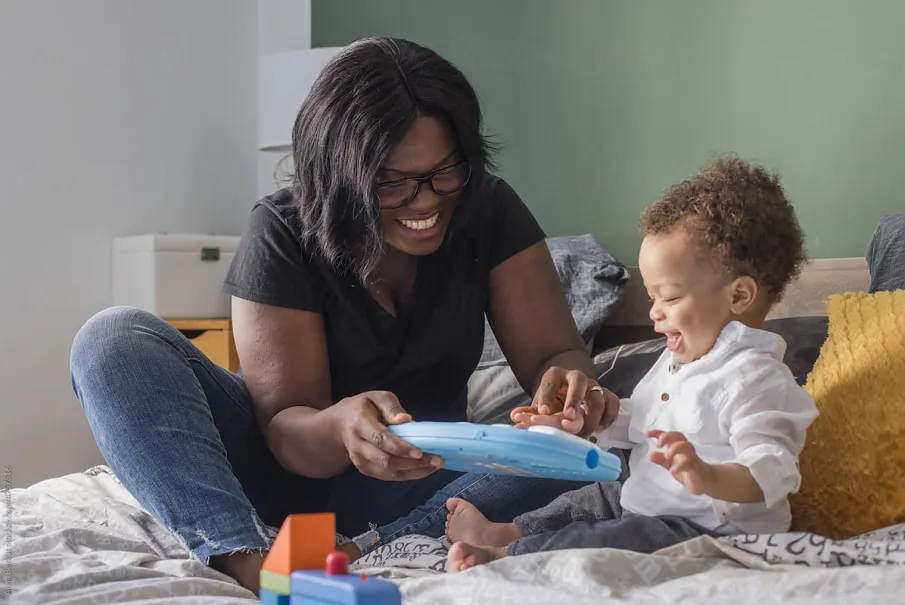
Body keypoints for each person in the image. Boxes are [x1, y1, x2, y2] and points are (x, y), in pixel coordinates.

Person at [69, 37, 619, 592]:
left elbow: (555, 354)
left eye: (444, 172)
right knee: (112, 338)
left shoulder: (489, 208)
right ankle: (245, 561)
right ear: (342, 175)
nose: (425, 202)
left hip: (426, 478)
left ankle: (372, 547)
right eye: (390, 183)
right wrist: (340, 427)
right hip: (277, 478)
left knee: (592, 446)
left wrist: (568, 387)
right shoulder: (283, 230)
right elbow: (285, 427)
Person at [443, 156, 821, 571]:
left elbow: (772, 469)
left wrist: (707, 475)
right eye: (652, 297)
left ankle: (507, 557)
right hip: (649, 503)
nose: (654, 313)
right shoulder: (679, 360)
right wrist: (591, 418)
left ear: (739, 296)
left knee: (622, 535)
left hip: (711, 533)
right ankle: (512, 532)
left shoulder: (758, 377)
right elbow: (641, 422)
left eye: (671, 298)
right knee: (596, 495)